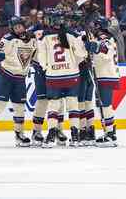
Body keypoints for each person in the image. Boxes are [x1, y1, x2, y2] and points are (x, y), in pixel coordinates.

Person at [0, 17, 37, 147]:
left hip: (20, 78)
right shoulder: (7, 39)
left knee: (20, 108)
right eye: (15, 27)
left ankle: (19, 134)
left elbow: (35, 56)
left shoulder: (32, 39)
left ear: (24, 26)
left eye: (20, 26)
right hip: (4, 75)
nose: (18, 29)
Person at [36, 14, 89, 147]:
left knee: (53, 106)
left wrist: (47, 67)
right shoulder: (71, 34)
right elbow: (82, 54)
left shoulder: (45, 36)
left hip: (54, 76)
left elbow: (41, 57)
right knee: (73, 105)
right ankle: (75, 136)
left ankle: (51, 134)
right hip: (71, 75)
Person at [82, 16, 122, 147]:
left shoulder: (106, 38)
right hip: (104, 75)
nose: (93, 28)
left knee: (106, 105)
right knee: (102, 105)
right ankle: (108, 132)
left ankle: (110, 134)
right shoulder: (104, 37)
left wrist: (93, 46)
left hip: (106, 75)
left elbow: (105, 52)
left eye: (95, 25)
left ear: (100, 27)